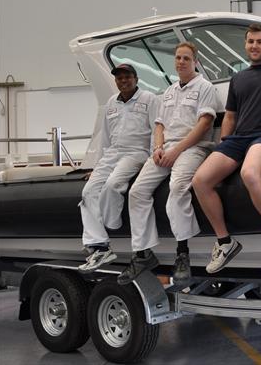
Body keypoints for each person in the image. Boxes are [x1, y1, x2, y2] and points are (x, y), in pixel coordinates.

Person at [191, 24, 261, 274]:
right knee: (200, 180)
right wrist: (224, 141)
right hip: (238, 139)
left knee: (250, 174)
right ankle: (225, 242)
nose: (255, 46)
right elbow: (230, 115)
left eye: (260, 42)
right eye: (251, 42)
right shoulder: (238, 77)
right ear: (246, 45)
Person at [118, 42, 221, 285]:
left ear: (195, 62)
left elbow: (204, 125)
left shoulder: (205, 87)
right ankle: (143, 253)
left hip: (192, 148)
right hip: (165, 149)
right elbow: (159, 125)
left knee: (177, 188)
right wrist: (158, 148)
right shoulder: (169, 91)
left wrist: (176, 150)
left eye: (186, 58)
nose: (181, 62)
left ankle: (182, 253)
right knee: (137, 191)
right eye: (178, 58)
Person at [78, 64, 158, 273]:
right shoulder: (110, 104)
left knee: (113, 185)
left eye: (127, 77)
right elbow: (104, 139)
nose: (123, 80)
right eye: (119, 78)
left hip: (136, 152)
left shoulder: (149, 99)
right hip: (112, 153)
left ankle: (112, 225)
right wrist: (96, 168)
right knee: (88, 192)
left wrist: (151, 160)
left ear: (136, 78)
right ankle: (100, 246)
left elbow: (156, 130)